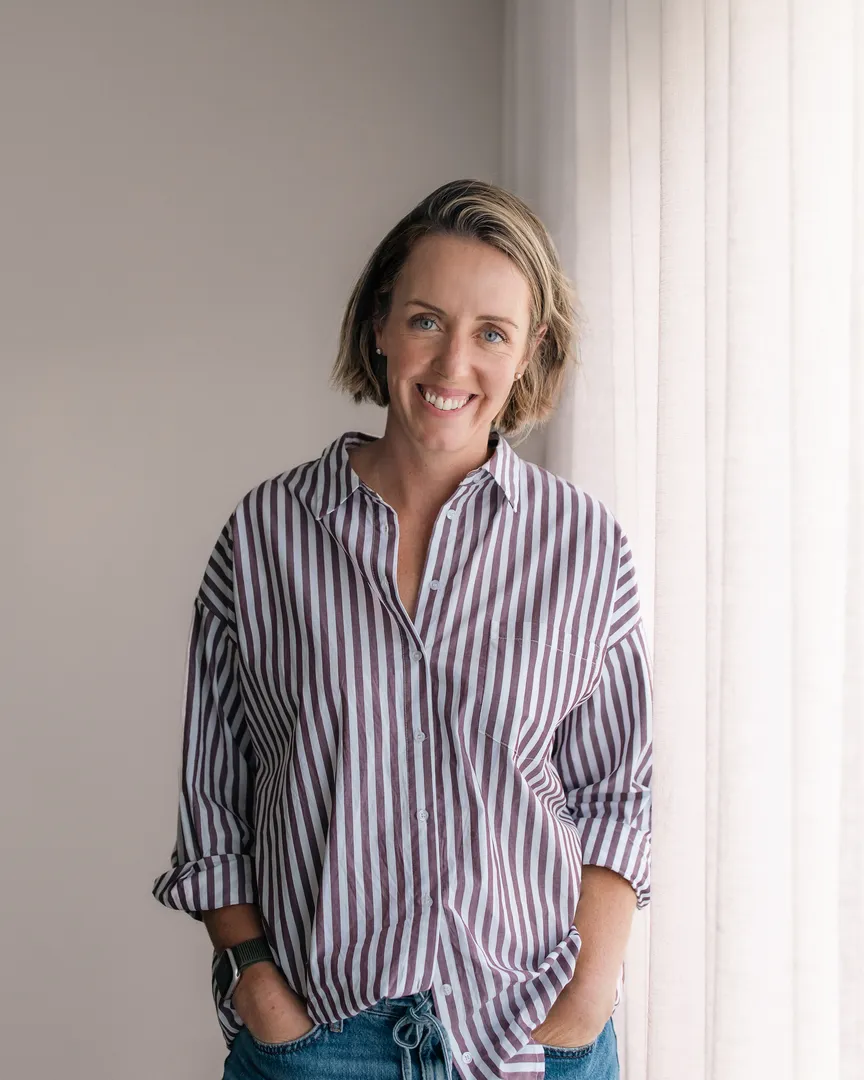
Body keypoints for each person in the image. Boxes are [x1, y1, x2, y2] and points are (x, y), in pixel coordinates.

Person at [152, 178, 652, 1080]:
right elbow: (212, 795)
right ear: (381, 323)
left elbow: (616, 790)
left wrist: (585, 997)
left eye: (491, 332)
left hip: (531, 1037)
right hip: (320, 1039)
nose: (453, 362)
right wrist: (258, 989)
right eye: (427, 320)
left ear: (529, 350)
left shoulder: (583, 546)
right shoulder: (267, 535)